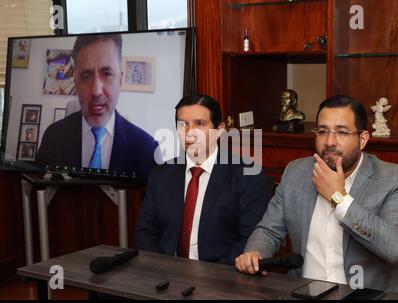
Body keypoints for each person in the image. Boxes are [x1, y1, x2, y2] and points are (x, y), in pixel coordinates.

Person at [235, 95, 398, 293]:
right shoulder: (296, 172)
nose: (330, 141)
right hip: (305, 291)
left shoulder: (396, 179)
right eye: (322, 131)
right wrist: (255, 252)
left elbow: (396, 247)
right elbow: (269, 230)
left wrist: (339, 198)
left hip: (372, 295)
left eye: (341, 132)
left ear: (362, 139)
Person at [134, 94, 271, 264]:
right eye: (183, 124)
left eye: (199, 124)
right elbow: (145, 234)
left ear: (219, 130)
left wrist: (211, 277)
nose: (190, 133)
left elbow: (250, 240)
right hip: (165, 275)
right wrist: (162, 269)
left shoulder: (247, 176)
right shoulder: (161, 174)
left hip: (222, 278)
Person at [36, 34, 160, 177]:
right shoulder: (52, 137)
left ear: (120, 79)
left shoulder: (147, 149)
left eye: (107, 73)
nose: (96, 91)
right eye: (86, 76)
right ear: (75, 82)